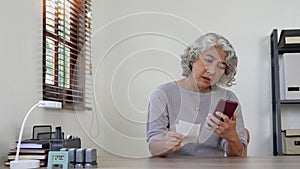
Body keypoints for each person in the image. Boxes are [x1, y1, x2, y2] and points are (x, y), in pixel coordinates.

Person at [146, 33, 247, 157]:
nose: (212, 71)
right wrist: (166, 145)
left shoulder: (228, 98)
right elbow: (153, 147)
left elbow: (237, 154)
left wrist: (231, 137)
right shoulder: (163, 94)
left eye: (220, 67)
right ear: (192, 58)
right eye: (208, 60)